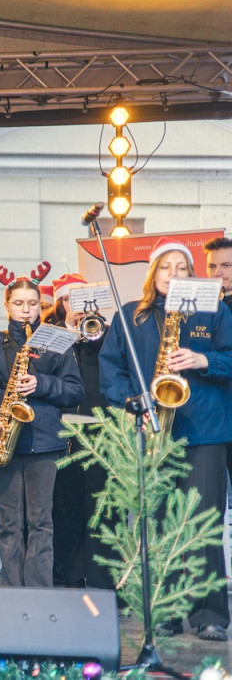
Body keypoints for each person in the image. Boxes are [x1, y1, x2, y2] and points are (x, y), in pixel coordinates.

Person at [99, 237, 232, 642]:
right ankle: (165, 610)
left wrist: (202, 359)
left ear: (192, 275)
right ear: (153, 274)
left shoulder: (216, 310)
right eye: (165, 267)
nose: (173, 274)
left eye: (181, 268)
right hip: (154, 429)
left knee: (203, 524)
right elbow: (111, 368)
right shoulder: (130, 317)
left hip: (205, 431)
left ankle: (210, 613)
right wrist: (135, 405)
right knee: (155, 524)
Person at [0, 272, 83, 589]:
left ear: (40, 306)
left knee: (41, 523)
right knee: (9, 524)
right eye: (18, 303)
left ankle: (38, 592)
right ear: (7, 305)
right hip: (3, 440)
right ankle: (11, 590)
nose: (25, 310)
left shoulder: (56, 341)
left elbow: (76, 391)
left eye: (32, 303)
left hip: (46, 444)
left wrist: (41, 383)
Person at [43, 273, 114, 589]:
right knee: (66, 506)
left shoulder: (106, 333)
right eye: (72, 300)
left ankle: (102, 577)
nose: (79, 308)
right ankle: (68, 575)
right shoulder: (49, 336)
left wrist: (97, 333)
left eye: (84, 301)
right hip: (63, 431)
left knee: (101, 506)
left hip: (101, 428)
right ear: (60, 303)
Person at [204, 237, 232, 524]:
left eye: (226, 265)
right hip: (212, 418)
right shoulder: (201, 307)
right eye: (212, 265)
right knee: (211, 506)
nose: (218, 273)